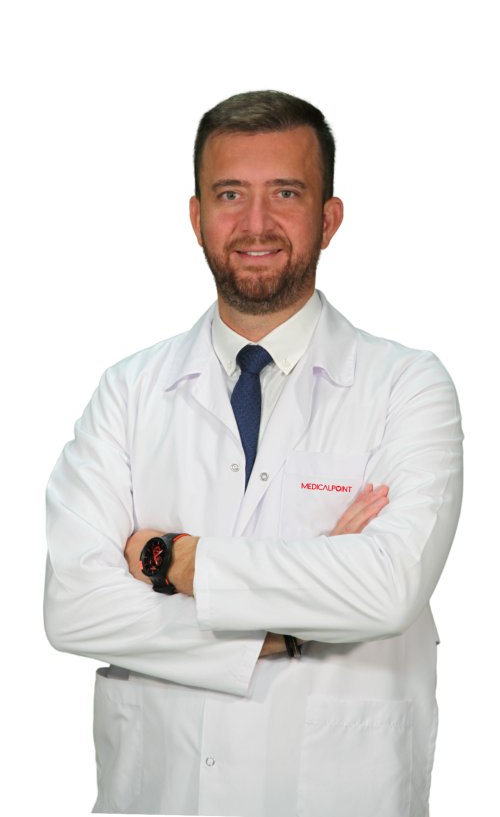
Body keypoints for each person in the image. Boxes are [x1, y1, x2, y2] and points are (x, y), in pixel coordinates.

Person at [44, 90, 463, 817]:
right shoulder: (130, 391)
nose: (256, 223)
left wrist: (176, 562)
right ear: (196, 216)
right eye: (230, 194)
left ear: (329, 218)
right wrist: (285, 628)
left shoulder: (407, 385)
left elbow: (387, 587)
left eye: (286, 193)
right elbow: (74, 607)